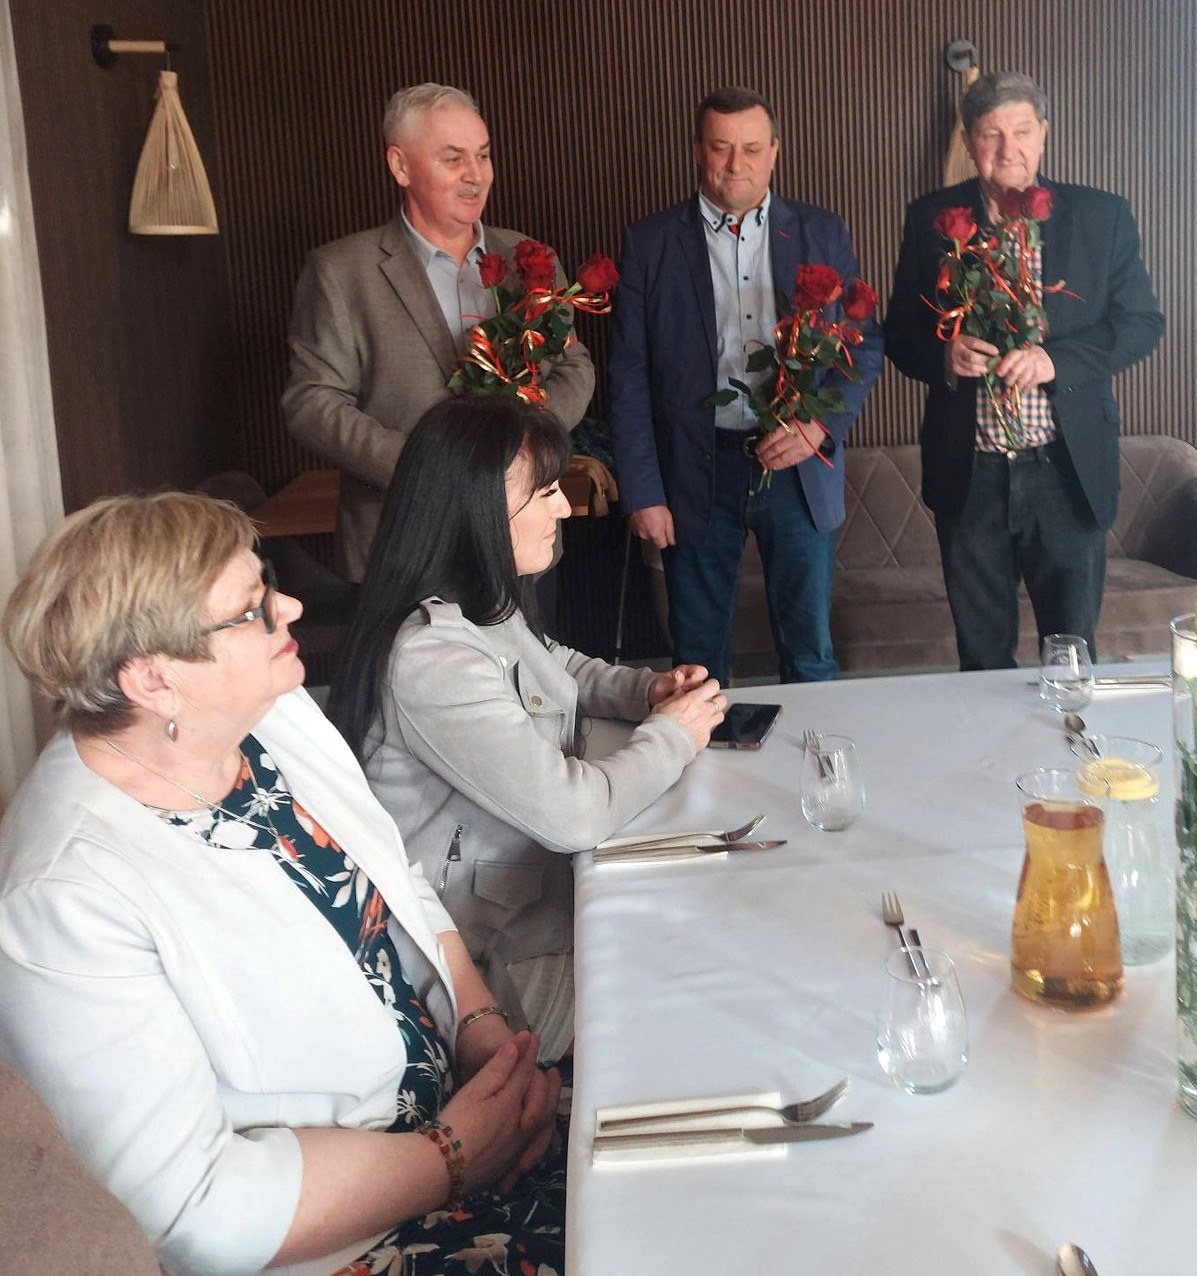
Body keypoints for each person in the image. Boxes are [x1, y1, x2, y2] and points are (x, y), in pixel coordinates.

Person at [0, 493, 566, 1276]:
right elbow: (197, 1211)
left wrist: (482, 1030)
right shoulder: (62, 897)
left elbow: (391, 874)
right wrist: (454, 1155)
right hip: (349, 1239)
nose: (290, 605)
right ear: (153, 680)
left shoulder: (268, 711)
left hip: (461, 1117)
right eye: (252, 608)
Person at [328, 397, 726, 1060]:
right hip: (484, 965)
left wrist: (644, 691)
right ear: (475, 509)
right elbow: (575, 815)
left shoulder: (480, 603)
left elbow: (552, 663)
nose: (564, 508)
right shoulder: (432, 657)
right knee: (700, 982)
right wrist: (674, 736)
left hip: (535, 901)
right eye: (543, 493)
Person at [885, 71, 1164, 667]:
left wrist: (1053, 361)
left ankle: (1071, 732)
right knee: (982, 658)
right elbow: (900, 335)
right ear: (969, 141)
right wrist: (944, 355)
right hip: (971, 474)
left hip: (1065, 470)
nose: (1007, 149)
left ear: (1043, 134)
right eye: (991, 134)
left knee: (1071, 654)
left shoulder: (1101, 216)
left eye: (1021, 131)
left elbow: (1141, 323)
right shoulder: (932, 219)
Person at [608, 86, 884, 685]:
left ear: (775, 151)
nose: (737, 164)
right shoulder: (651, 243)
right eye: (721, 147)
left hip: (798, 469)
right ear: (697, 150)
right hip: (696, 469)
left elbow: (862, 347)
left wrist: (819, 427)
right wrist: (643, 492)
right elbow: (627, 376)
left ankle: (814, 751)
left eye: (752, 149)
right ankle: (705, 751)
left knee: (810, 654)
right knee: (698, 660)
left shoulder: (821, 232)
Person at [283, 81, 594, 582]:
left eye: (483, 155)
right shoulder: (340, 271)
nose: (475, 175)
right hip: (401, 542)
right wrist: (424, 466)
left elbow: (574, 364)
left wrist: (520, 453)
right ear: (400, 166)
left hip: (522, 542)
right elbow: (311, 402)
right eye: (453, 159)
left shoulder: (529, 258)